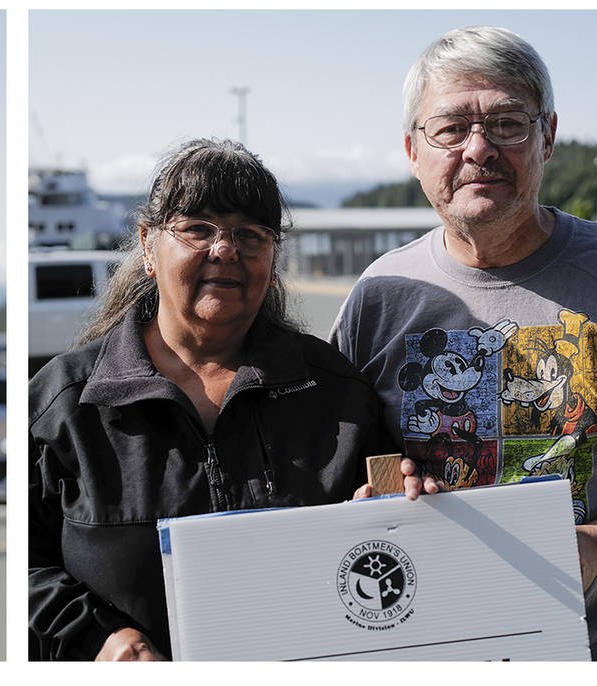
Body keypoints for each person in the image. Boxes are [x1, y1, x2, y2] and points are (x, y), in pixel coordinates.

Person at [330, 26, 597, 660]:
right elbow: (337, 476)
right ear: (413, 150)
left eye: (507, 125)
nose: (478, 150)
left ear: (547, 136)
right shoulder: (379, 296)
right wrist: (366, 502)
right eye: (450, 129)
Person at [29, 139, 422, 661]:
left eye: (250, 234)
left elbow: (395, 529)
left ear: (272, 256)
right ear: (148, 245)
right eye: (198, 228)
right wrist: (98, 638)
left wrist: (402, 509)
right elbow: (25, 568)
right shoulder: (68, 405)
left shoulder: (339, 395)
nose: (226, 249)